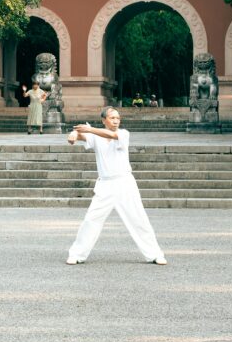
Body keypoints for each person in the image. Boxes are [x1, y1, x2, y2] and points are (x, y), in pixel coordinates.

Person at [65, 107, 166, 266]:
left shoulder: (123, 133)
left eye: (118, 118)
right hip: (105, 185)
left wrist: (90, 129)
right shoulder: (95, 136)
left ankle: (155, 254)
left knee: (139, 219)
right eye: (112, 118)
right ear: (104, 120)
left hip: (124, 182)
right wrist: (74, 135)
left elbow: (110, 135)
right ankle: (77, 254)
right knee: (91, 220)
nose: (116, 121)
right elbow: (80, 135)